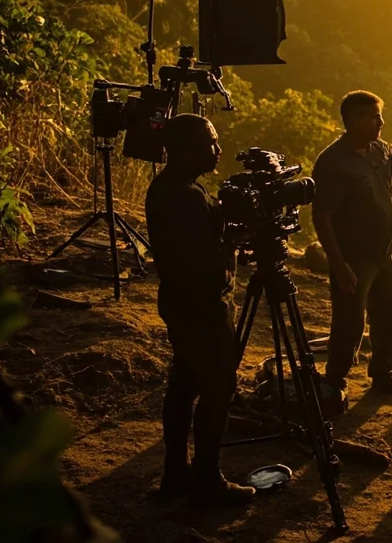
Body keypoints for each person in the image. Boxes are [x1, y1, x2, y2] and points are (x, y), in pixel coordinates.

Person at [145, 114, 254, 507]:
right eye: (211, 143)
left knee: (185, 383)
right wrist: (234, 243)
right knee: (217, 388)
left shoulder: (171, 188)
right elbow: (206, 261)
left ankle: (176, 472)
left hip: (181, 302)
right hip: (203, 306)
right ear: (187, 149)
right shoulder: (185, 196)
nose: (218, 149)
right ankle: (208, 479)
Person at [313, 90, 392, 394]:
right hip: (354, 257)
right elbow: (322, 216)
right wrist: (338, 264)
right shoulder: (333, 162)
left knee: (387, 318)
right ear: (352, 120)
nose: (380, 122)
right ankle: (335, 378)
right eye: (373, 116)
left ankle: (382, 373)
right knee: (349, 322)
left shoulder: (380, 150)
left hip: (386, 253)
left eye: (380, 115)